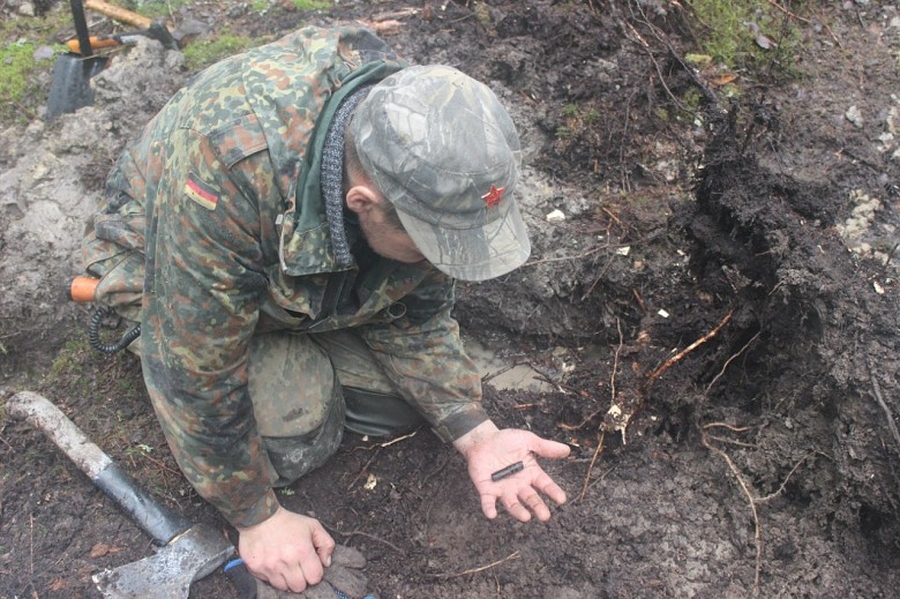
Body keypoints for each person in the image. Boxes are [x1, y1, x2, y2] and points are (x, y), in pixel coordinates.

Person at [82, 24, 571, 595]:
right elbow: (194, 365)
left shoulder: (425, 136)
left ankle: (310, 339)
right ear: (363, 203)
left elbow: (418, 310)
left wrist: (475, 431)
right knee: (297, 430)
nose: (444, 258)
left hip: (297, 261)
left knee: (396, 409)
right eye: (431, 241)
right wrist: (258, 518)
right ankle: (297, 363)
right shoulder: (233, 167)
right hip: (167, 267)